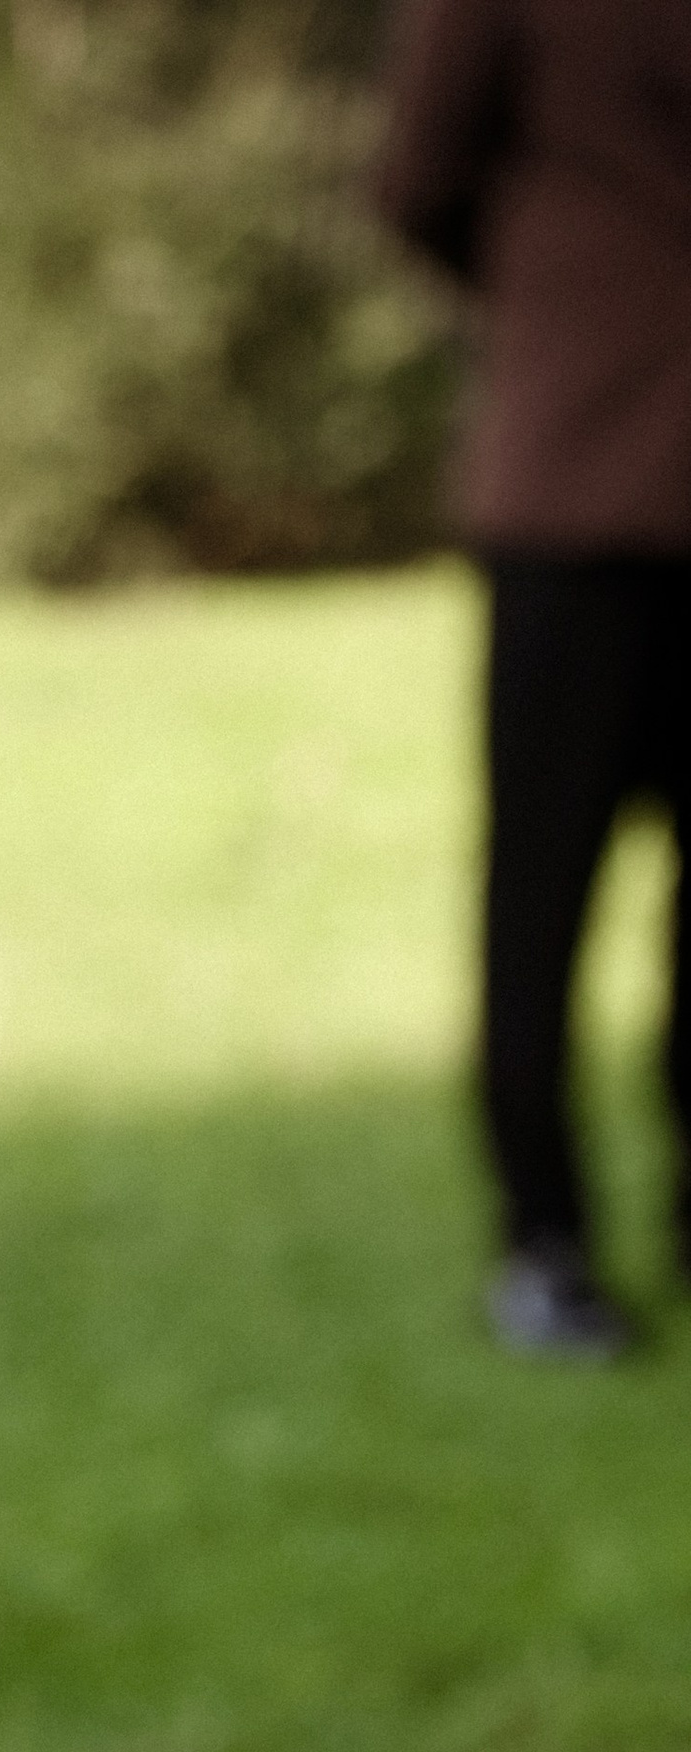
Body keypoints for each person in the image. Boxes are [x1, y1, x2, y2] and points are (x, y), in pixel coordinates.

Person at [377, 0, 691, 1362]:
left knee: (537, 886)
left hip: (569, 473)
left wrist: (546, 293)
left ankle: (546, 1246)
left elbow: (413, 181)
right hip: (589, 479)